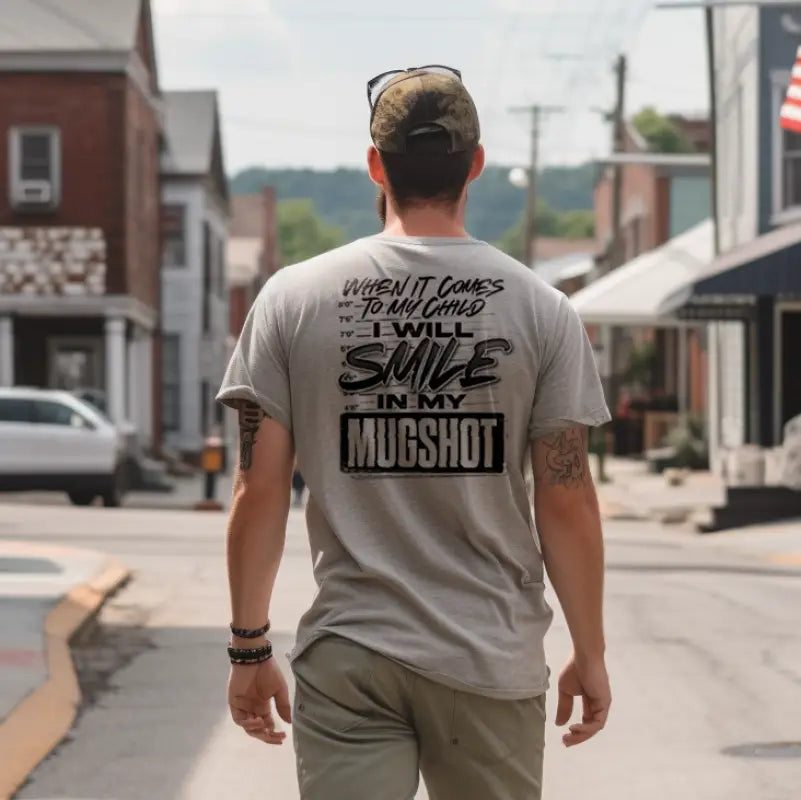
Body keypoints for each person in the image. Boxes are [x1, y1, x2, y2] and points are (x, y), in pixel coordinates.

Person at [217, 65, 612, 800]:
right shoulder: (541, 309)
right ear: (475, 165)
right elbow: (565, 499)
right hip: (488, 657)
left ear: (375, 165)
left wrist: (249, 648)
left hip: (350, 656)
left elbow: (258, 487)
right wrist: (588, 651)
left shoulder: (291, 300)